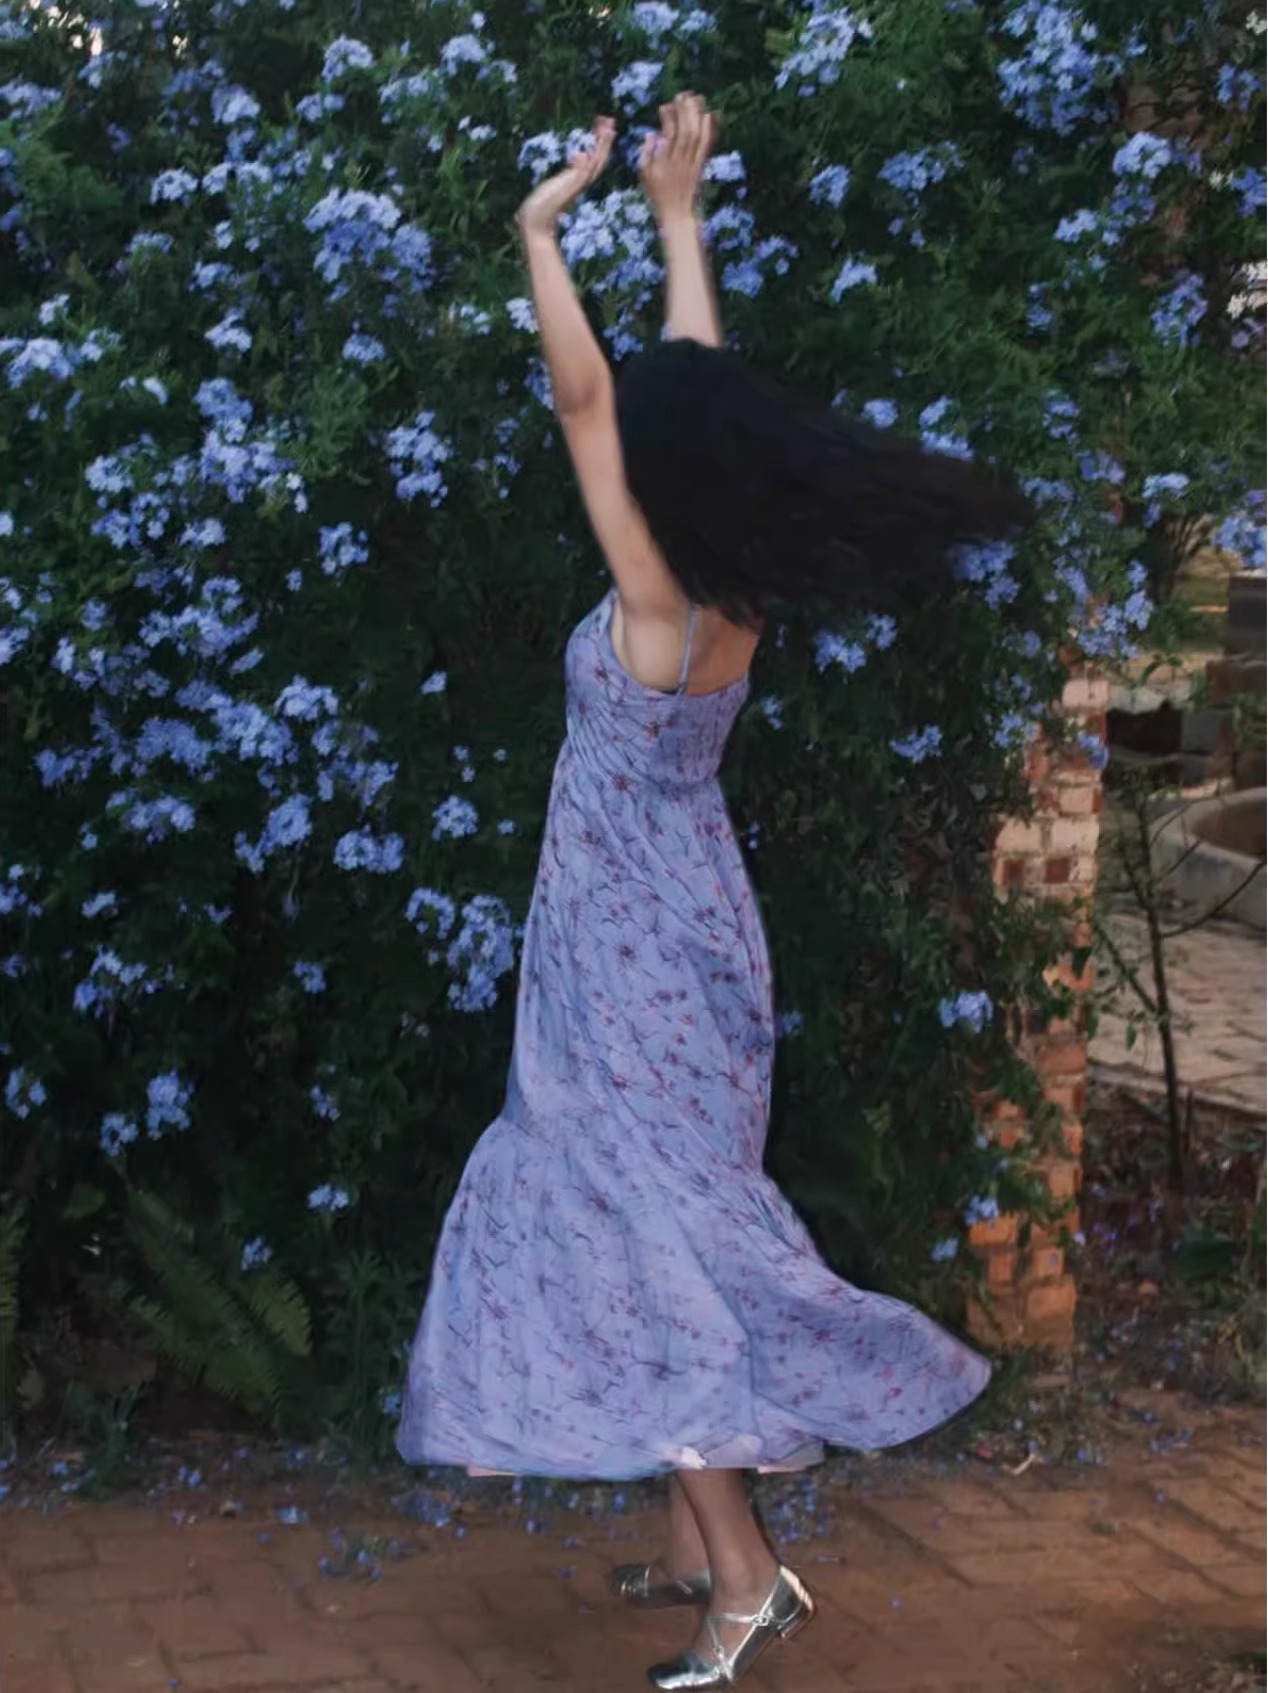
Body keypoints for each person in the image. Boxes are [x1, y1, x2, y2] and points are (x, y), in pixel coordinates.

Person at [399, 94, 1026, 1690]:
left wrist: (543, 231)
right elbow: (689, 402)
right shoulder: (726, 580)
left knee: (631, 1236)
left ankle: (743, 1579)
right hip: (696, 925)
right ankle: (694, 1541)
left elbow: (585, 398)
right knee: (675, 1212)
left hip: (620, 941)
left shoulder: (650, 587)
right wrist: (678, 221)